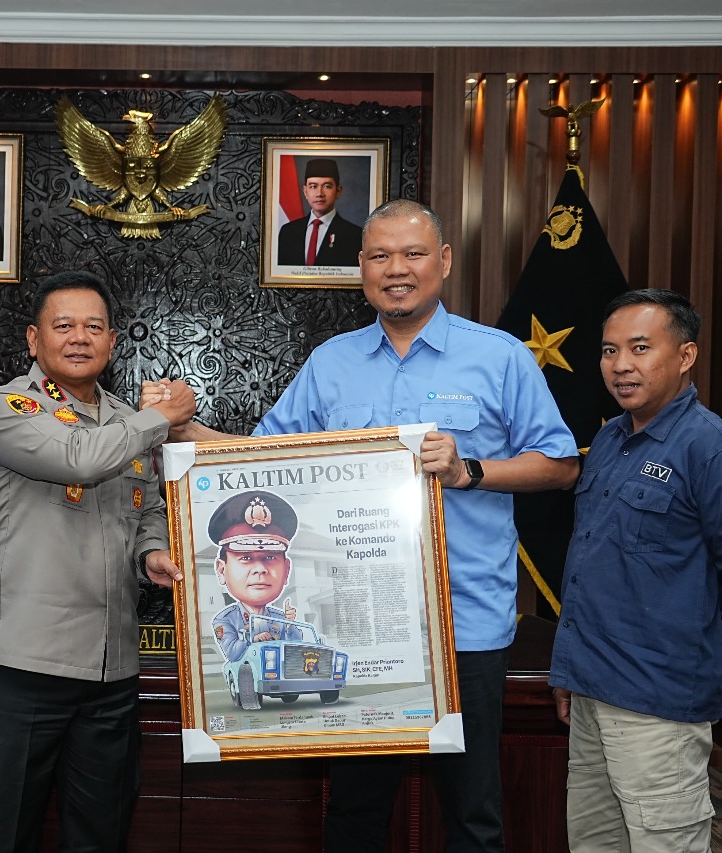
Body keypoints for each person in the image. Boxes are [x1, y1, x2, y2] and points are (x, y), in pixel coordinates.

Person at [147, 199, 579, 852]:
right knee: (354, 810)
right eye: (380, 255)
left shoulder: (500, 357)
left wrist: (469, 470)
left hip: (464, 625)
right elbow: (262, 459)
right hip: (358, 626)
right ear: (361, 267)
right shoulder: (332, 362)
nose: (396, 269)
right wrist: (183, 431)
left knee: (473, 813)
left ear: (444, 261)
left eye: (412, 254)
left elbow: (561, 465)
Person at [0, 270, 196, 852]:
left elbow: (145, 506)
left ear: (112, 343)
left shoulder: (125, 420)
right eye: (63, 325)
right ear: (33, 339)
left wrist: (151, 552)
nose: (79, 338)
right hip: (24, 666)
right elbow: (79, 458)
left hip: (111, 671)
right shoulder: (6, 407)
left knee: (100, 835)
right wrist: (162, 419)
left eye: (93, 327)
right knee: (5, 835)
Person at [549, 289, 722, 852]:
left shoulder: (713, 449)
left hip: (659, 700)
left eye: (640, 348)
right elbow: (592, 565)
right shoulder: (610, 439)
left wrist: (704, 652)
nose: (620, 365)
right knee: (594, 843)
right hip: (591, 689)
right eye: (609, 350)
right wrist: (571, 672)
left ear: (685, 356)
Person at [208, 489, 303, 662]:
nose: (260, 569)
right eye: (245, 558)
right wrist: (251, 639)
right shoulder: (225, 620)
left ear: (286, 570)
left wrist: (290, 626)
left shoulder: (281, 619)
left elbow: (296, 650)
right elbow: (232, 653)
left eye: (270, 557)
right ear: (222, 570)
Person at [276, 158, 363, 267]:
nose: (319, 194)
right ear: (305, 191)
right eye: (313, 186)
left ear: (338, 191)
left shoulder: (354, 235)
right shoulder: (288, 232)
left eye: (327, 186)